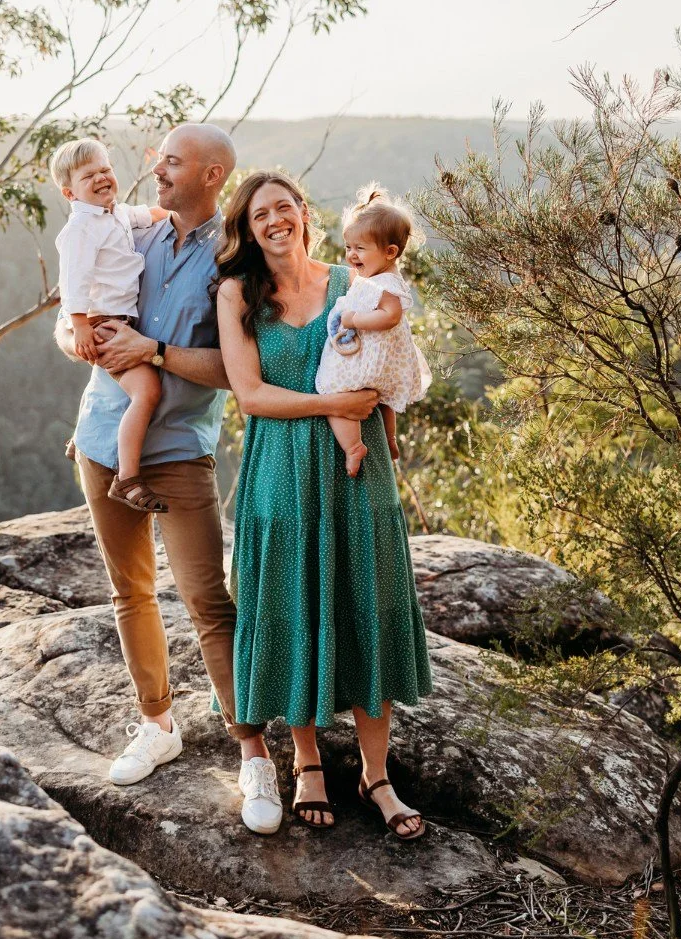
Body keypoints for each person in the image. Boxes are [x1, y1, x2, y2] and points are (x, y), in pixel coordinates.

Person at [58, 123, 306, 833]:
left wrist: (155, 351)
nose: (156, 169)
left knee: (207, 601)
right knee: (129, 590)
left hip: (178, 450)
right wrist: (78, 339)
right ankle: (156, 724)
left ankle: (253, 752)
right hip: (102, 438)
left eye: (171, 161)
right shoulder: (129, 231)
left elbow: (237, 371)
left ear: (211, 174)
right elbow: (71, 313)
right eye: (159, 159)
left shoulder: (234, 259)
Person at [216, 171, 433, 837]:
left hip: (355, 474)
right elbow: (251, 396)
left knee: (368, 605)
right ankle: (306, 761)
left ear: (304, 214)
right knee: (294, 605)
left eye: (284, 207)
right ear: (247, 229)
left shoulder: (353, 281)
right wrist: (333, 402)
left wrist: (380, 418)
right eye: (260, 214)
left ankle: (376, 775)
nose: (275, 221)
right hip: (280, 470)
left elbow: (392, 356)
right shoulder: (237, 293)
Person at [51, 137, 170, 512]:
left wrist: (187, 215)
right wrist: (79, 326)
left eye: (105, 169)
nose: (101, 178)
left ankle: (80, 439)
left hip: (120, 319)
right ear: (70, 193)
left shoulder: (116, 213)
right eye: (89, 176)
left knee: (122, 386)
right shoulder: (80, 229)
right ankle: (127, 478)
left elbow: (150, 214)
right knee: (147, 391)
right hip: (102, 322)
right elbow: (73, 282)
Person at [315, 182, 432, 477]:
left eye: (360, 249)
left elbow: (390, 316)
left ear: (390, 252)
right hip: (380, 359)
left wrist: (354, 319)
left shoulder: (386, 284)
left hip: (368, 359)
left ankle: (353, 446)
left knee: (333, 390)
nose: (351, 255)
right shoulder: (376, 278)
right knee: (384, 400)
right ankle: (389, 439)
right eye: (348, 247)